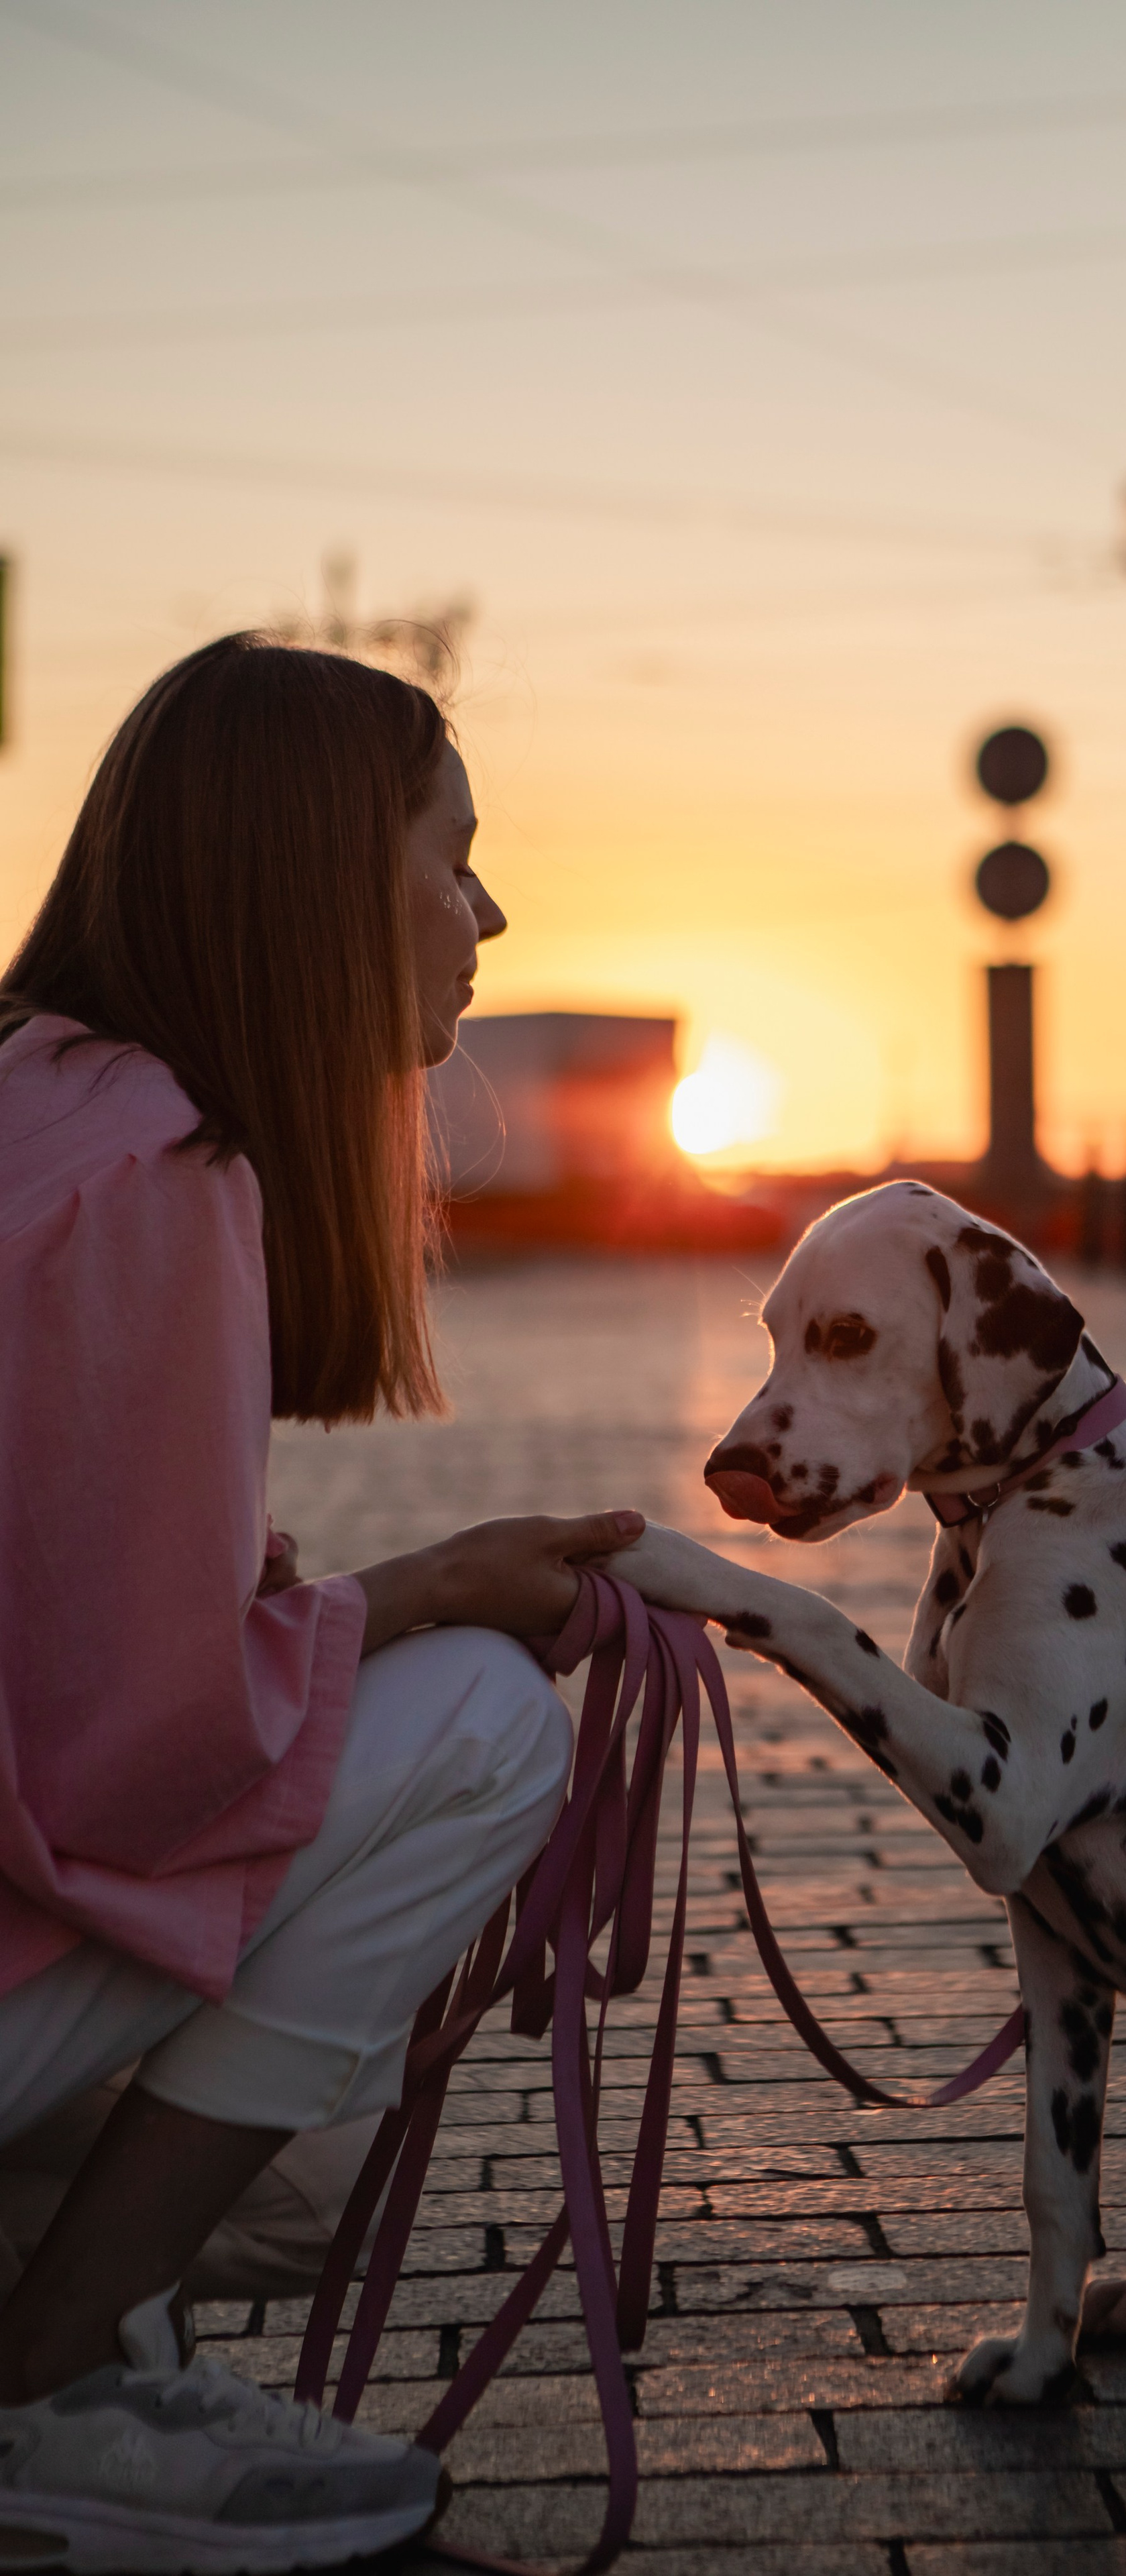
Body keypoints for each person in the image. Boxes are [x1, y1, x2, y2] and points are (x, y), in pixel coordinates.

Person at [0, 635, 640, 2571]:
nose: (488, 915)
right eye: (455, 858)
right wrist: (433, 1594)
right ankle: (47, 2392)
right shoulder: (156, 1172)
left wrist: (326, 1601)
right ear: (321, 883)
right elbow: (134, 1762)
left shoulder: (40, 1098)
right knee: (486, 1729)